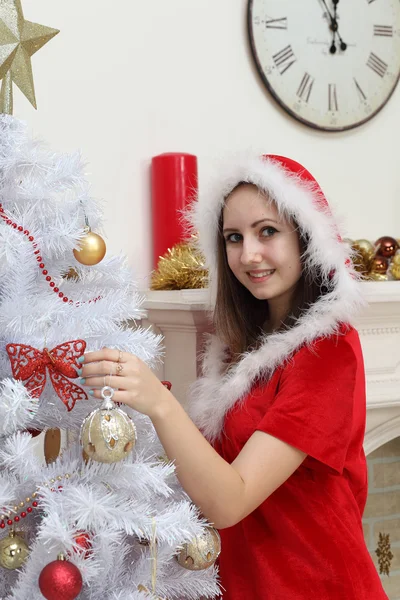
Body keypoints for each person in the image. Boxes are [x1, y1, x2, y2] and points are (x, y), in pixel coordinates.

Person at [78, 154, 388, 599]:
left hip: (317, 586)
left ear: (306, 237)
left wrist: (159, 403)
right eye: (233, 237)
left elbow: (229, 501)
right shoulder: (240, 350)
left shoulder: (328, 351)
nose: (249, 254)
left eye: (267, 231)